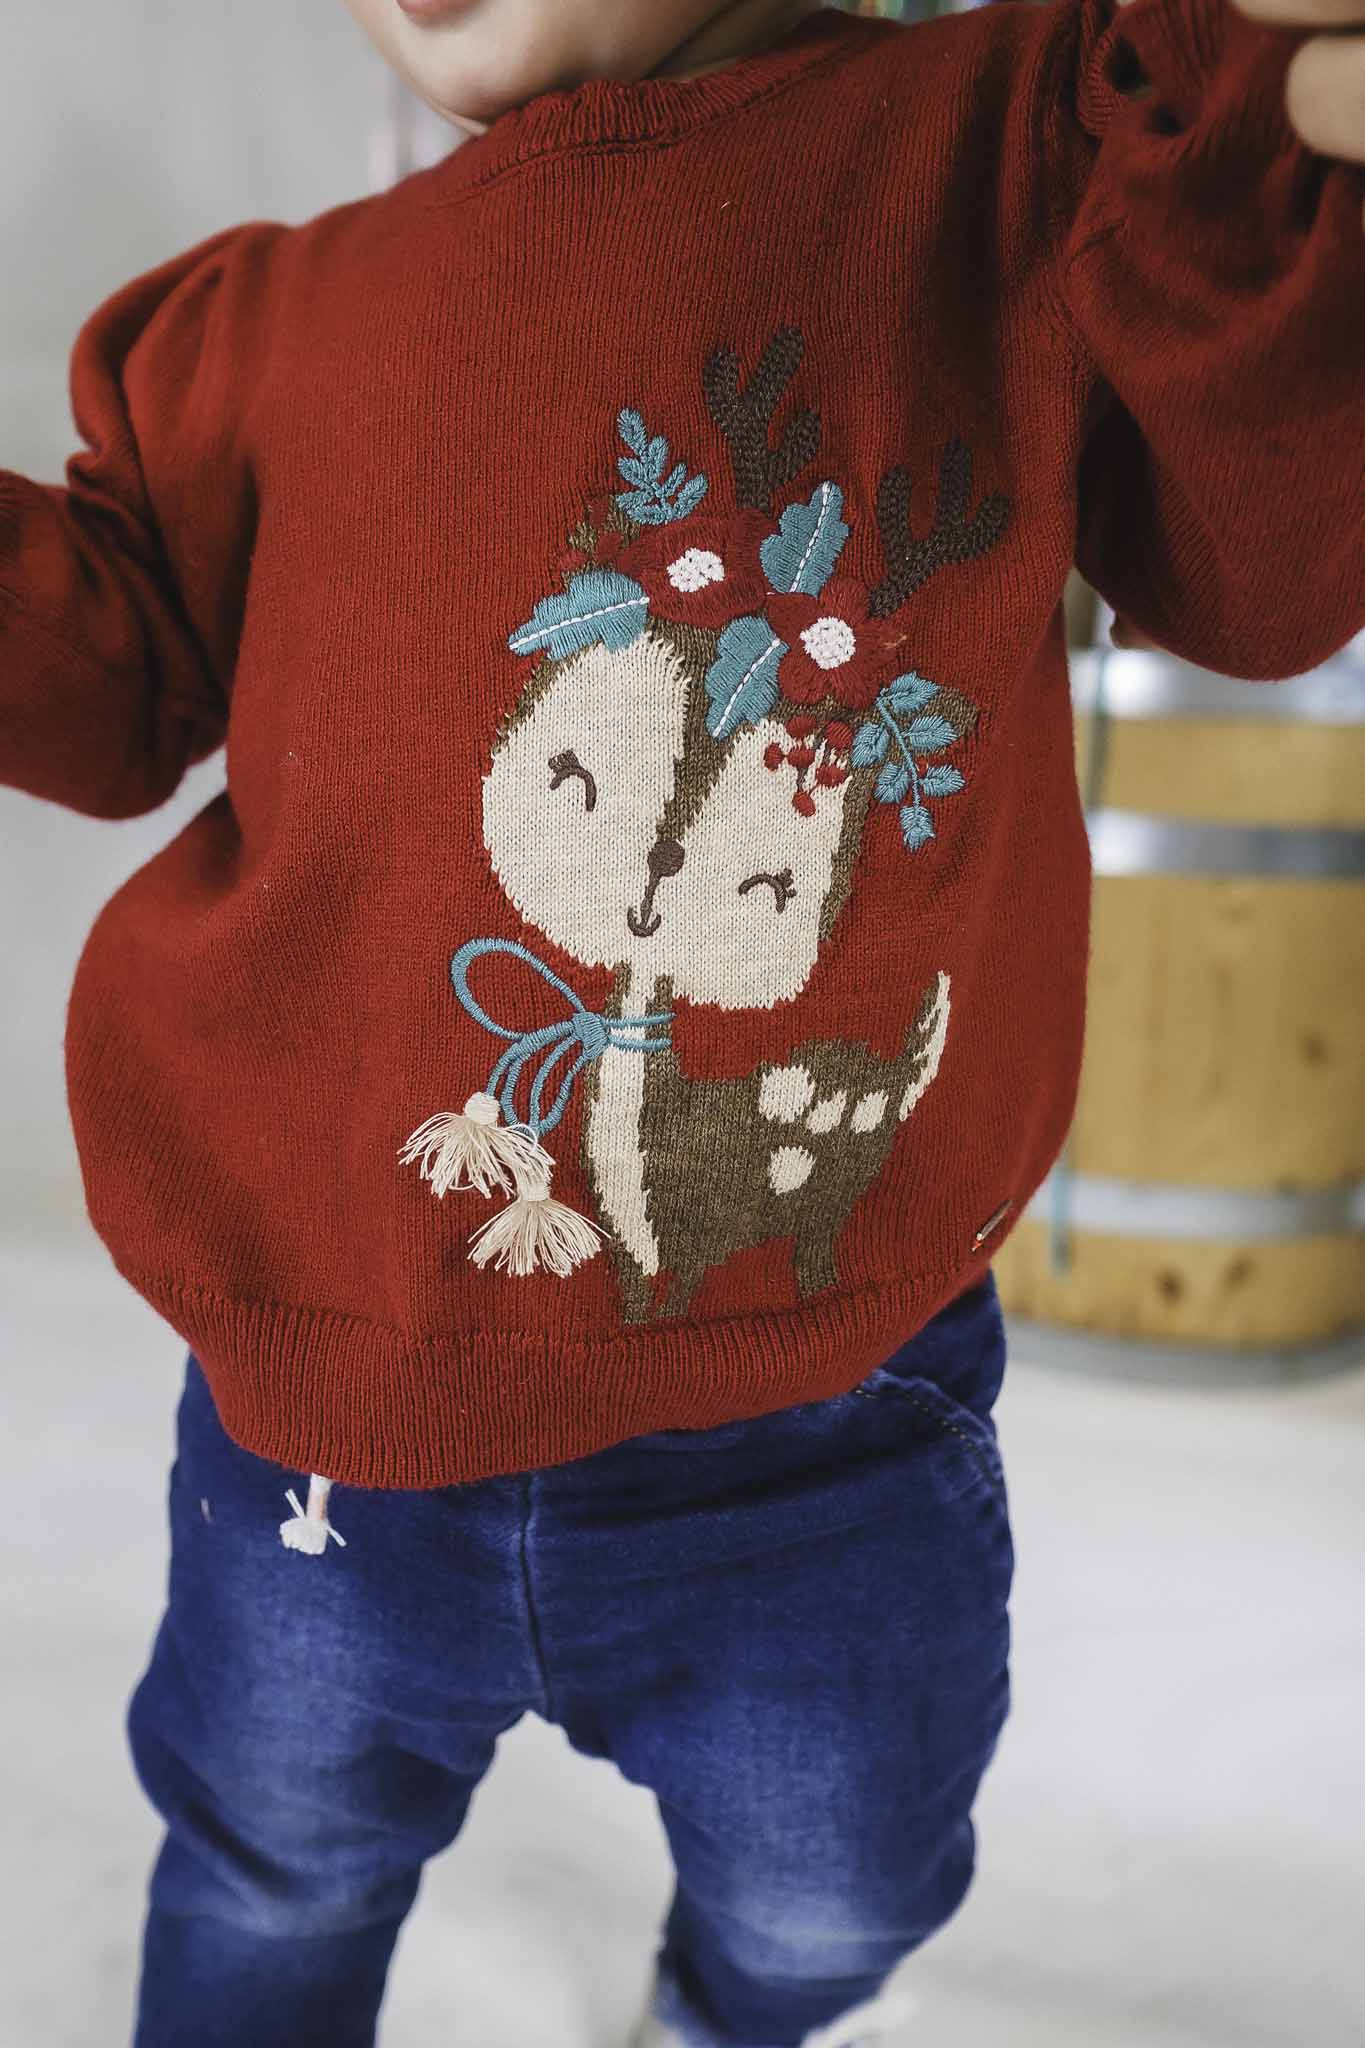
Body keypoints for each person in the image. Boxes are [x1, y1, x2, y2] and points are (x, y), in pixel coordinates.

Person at [1, 0, 1361, 2042]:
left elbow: (1259, 582)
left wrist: (1231, 153)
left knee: (836, 1899)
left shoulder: (1025, 140)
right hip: (324, 1415)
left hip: (822, 1415)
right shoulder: (267, 323)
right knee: (268, 1866)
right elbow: (109, 675)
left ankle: (720, 2012)